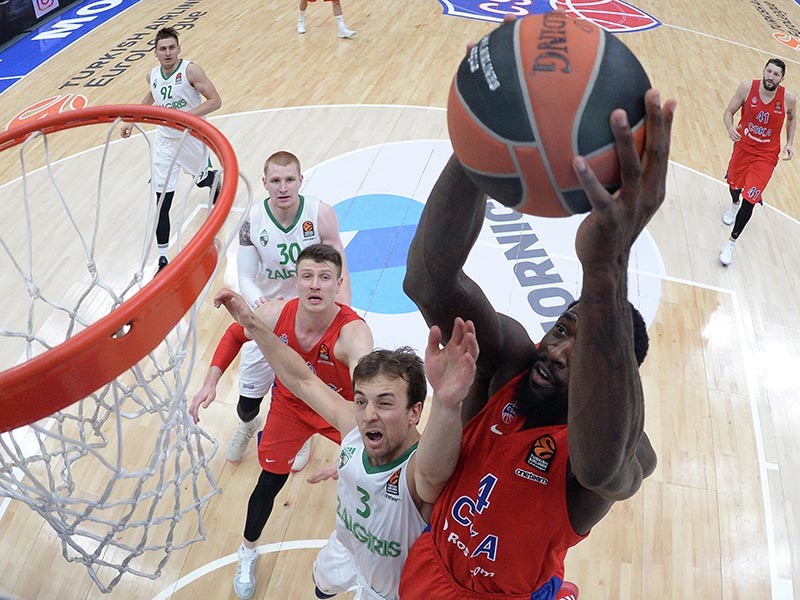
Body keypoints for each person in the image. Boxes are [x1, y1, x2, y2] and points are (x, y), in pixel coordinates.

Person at [396, 89, 675, 600]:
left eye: (583, 353)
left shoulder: (617, 452)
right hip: (428, 561)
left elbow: (602, 466)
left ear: (612, 376)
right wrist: (477, 146)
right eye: (563, 330)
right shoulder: (510, 365)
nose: (557, 351)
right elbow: (428, 281)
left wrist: (606, 267)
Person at [214, 287, 478, 600]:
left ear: (415, 412)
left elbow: (434, 471)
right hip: (344, 545)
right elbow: (301, 380)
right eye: (362, 400)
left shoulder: (415, 470)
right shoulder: (354, 426)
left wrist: (448, 403)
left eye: (385, 403)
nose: (369, 414)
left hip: (387, 589)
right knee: (321, 586)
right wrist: (253, 324)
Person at [191, 244, 373, 600]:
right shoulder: (276, 313)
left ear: (339, 284)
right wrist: (210, 381)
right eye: (308, 276)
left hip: (337, 411)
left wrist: (357, 452)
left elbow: (367, 398)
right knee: (270, 481)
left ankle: (362, 560)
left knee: (368, 483)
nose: (315, 285)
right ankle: (247, 550)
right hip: (290, 407)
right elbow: (235, 333)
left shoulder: (354, 334)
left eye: (325, 277)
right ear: (296, 281)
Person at [192, 151, 351, 470]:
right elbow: (246, 277)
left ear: (301, 180)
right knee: (246, 403)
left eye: (290, 179)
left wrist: (342, 316)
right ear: (264, 182)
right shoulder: (252, 220)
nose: (283, 187)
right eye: (276, 180)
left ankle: (302, 434)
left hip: (310, 320)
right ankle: (249, 424)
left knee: (304, 389)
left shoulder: (320, 214)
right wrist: (264, 308)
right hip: (271, 316)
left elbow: (339, 269)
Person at [120, 27, 223, 273]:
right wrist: (132, 120)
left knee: (201, 180)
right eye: (162, 49)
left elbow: (215, 101)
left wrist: (186, 117)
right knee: (162, 201)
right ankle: (163, 259)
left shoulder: (191, 71)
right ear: (155, 53)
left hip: (191, 139)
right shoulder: (152, 75)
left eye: (171, 48)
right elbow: (153, 95)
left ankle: (214, 180)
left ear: (179, 49)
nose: (167, 53)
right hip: (165, 142)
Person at [719, 58, 796, 266]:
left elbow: (792, 118)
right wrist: (730, 127)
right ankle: (734, 204)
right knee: (734, 185)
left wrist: (790, 142)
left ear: (782, 78)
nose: (771, 76)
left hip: (766, 156)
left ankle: (731, 243)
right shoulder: (747, 88)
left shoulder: (789, 99)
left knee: (751, 198)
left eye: (776, 74)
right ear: (764, 71)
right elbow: (728, 112)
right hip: (743, 148)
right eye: (769, 71)